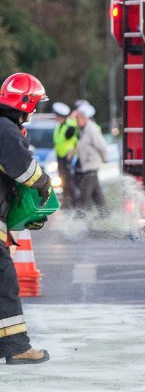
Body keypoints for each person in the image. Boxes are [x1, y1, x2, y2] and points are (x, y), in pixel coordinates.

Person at [0, 73, 52, 364]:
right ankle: (18, 348)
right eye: (33, 106)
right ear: (25, 103)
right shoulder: (5, 129)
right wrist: (43, 183)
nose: (33, 112)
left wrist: (25, 216)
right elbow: (23, 169)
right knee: (4, 285)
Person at [73, 101, 108, 215]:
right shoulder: (83, 130)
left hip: (92, 165)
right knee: (96, 192)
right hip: (87, 164)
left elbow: (102, 145)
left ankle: (80, 216)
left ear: (84, 118)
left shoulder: (91, 129)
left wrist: (104, 159)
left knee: (85, 192)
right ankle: (104, 214)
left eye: (78, 119)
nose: (76, 121)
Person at [52, 102, 79, 208]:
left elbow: (78, 143)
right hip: (60, 157)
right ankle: (67, 203)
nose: (55, 117)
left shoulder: (70, 127)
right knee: (63, 181)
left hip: (68, 157)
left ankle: (75, 203)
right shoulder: (59, 126)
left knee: (70, 182)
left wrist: (71, 153)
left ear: (60, 116)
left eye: (56, 115)